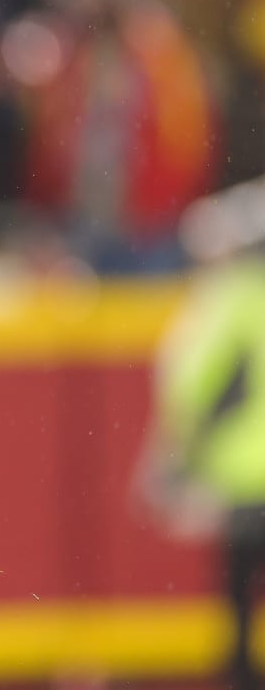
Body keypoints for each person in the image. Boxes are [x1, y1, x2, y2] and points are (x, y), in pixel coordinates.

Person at [138, 177, 265, 690]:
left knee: (239, 609)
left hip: (242, 477)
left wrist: (171, 463)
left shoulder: (228, 296)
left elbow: (195, 387)